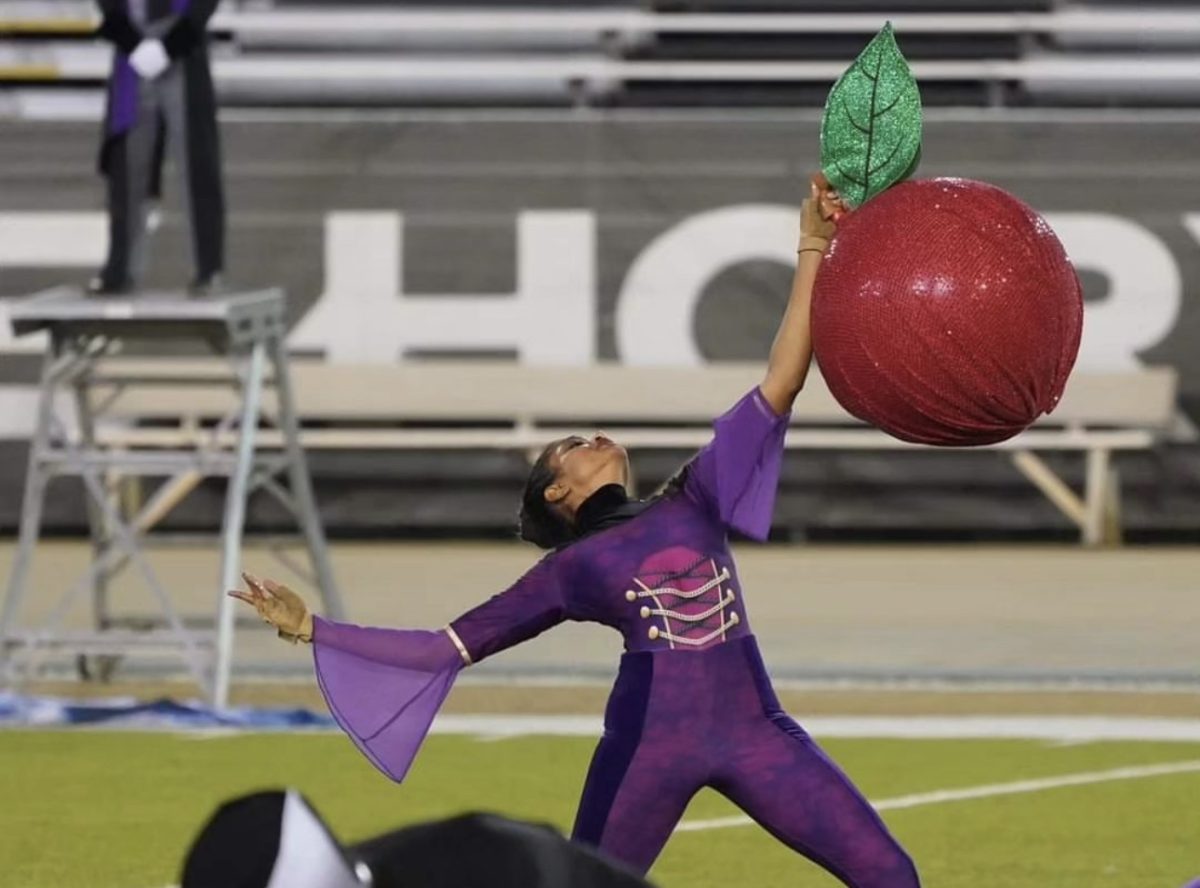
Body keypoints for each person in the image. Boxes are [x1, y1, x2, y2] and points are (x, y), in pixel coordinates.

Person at [230, 175, 921, 888]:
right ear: (559, 491)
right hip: (649, 750)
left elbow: (783, 378)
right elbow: (443, 649)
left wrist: (813, 243)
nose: (594, 435)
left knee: (892, 876)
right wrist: (312, 628)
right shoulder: (569, 569)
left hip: (757, 734)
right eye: (571, 444)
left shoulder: (696, 497)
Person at [91, 0, 224, 295]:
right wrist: (129, 39)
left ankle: (207, 268)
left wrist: (173, 43)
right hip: (132, 42)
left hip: (181, 39)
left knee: (196, 163)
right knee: (127, 164)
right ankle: (120, 267)